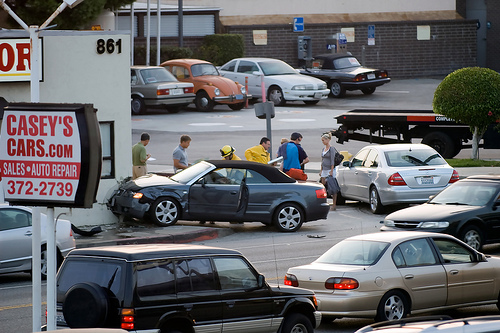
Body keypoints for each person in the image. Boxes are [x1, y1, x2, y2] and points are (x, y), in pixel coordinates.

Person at [319, 132, 340, 210]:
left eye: (323, 140)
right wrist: (321, 170)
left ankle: (334, 205)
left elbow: (332, 160)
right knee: (323, 186)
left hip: (329, 169)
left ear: (327, 140)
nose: (323, 142)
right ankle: (323, 202)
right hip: (324, 169)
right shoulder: (323, 149)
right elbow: (322, 160)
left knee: (332, 186)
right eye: (322, 140)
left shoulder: (331, 149)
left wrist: (331, 170)